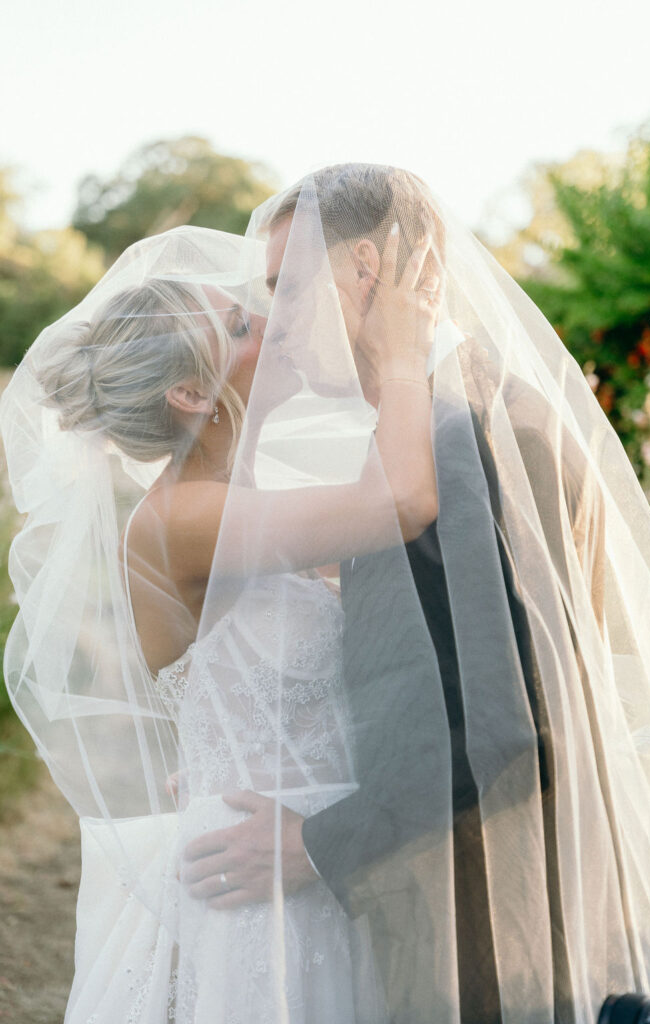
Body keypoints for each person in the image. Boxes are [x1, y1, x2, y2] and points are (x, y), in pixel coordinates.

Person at [185, 165, 650, 1023]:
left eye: (286, 286)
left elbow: (514, 723)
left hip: (482, 925)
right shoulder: (468, 416)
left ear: (365, 270)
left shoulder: (468, 441)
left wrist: (315, 841)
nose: (275, 320)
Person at [0, 224, 446, 1022]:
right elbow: (406, 501)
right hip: (262, 885)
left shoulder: (243, 503)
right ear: (192, 394)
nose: (271, 322)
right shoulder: (182, 518)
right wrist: (405, 350)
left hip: (305, 855)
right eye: (239, 327)